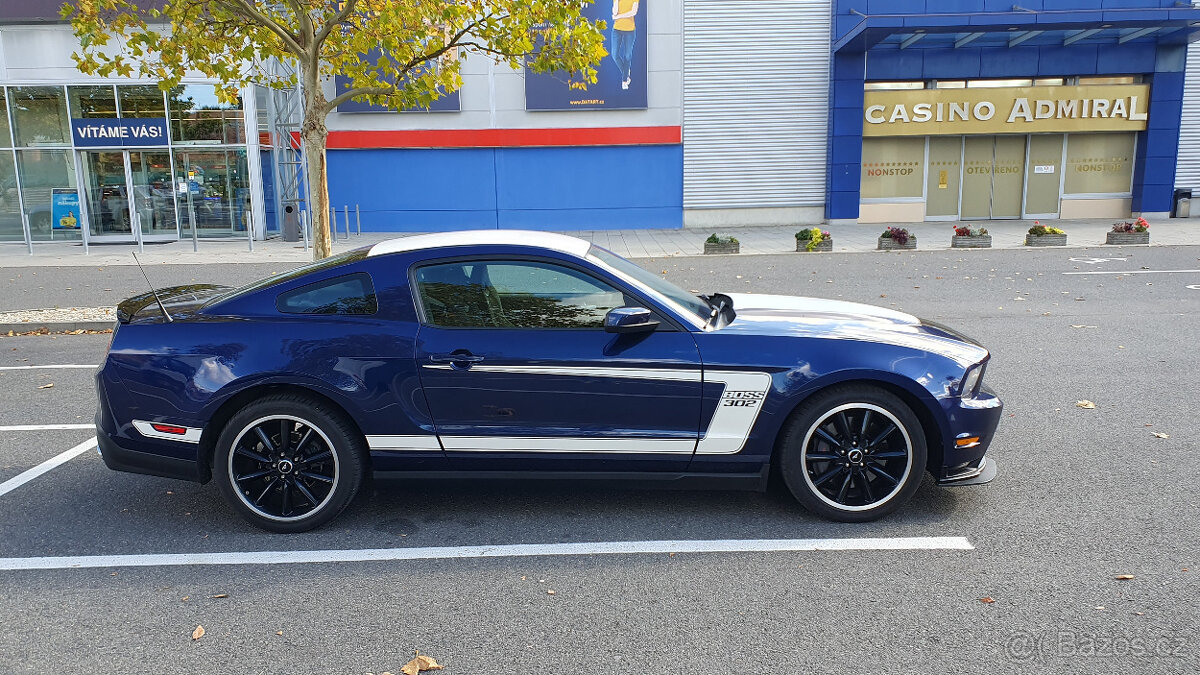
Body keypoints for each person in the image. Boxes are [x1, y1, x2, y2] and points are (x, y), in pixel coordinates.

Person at [611, 0, 640, 90]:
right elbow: (614, 13)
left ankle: (624, 80)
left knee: (627, 56)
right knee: (614, 55)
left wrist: (619, 16)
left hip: (630, 31)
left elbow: (633, 12)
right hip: (617, 29)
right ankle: (626, 71)